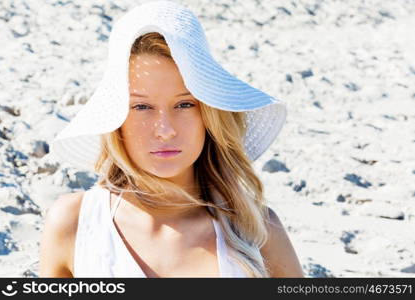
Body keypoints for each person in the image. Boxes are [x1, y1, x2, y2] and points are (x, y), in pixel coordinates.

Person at [39, 0, 303, 278]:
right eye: (141, 107)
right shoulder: (75, 223)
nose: (165, 130)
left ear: (209, 115)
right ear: (116, 122)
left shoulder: (256, 231)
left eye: (185, 105)